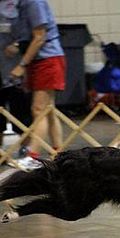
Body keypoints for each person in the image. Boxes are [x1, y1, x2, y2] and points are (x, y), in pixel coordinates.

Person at [9, 0, 65, 171]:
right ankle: (59, 154)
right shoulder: (20, 4)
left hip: (47, 59)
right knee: (49, 110)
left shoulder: (34, 2)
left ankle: (32, 157)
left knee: (38, 109)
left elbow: (40, 36)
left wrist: (22, 65)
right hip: (38, 60)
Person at [0, 0, 31, 154]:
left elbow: (31, 32)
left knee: (21, 112)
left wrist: (18, 45)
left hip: (14, 68)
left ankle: (25, 149)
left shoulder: (20, 5)